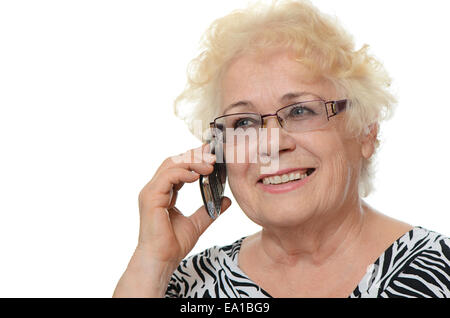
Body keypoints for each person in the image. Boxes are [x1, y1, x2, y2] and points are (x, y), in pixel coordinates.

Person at [113, 0, 450, 298]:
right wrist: (152, 264)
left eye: (301, 111)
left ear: (365, 132)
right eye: (243, 123)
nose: (271, 145)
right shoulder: (181, 286)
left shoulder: (441, 271)